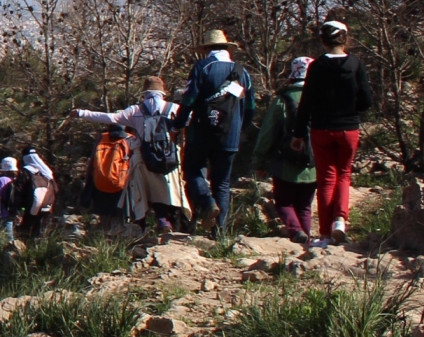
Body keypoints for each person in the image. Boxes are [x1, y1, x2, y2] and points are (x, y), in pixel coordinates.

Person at [292, 19, 374, 245]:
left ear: (322, 41)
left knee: (327, 178)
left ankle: (326, 234)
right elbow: (367, 100)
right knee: (344, 174)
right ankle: (340, 219)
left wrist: (298, 133)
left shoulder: (316, 66)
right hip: (348, 128)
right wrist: (351, 110)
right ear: (345, 39)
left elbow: (306, 102)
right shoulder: (356, 64)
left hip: (321, 128)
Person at [73, 76, 189, 234]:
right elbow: (191, 122)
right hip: (169, 159)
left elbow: (110, 118)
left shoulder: (136, 110)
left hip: (143, 158)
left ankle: (140, 227)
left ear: (144, 93)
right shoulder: (174, 108)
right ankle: (167, 223)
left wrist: (82, 113)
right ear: (162, 92)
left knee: (141, 193)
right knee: (167, 192)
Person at [175, 30, 255, 235]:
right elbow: (251, 106)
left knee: (193, 170)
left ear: (206, 49)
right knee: (222, 182)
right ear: (227, 48)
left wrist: (179, 123)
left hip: (201, 131)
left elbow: (189, 99)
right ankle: (219, 233)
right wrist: (240, 128)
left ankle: (207, 202)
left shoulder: (203, 67)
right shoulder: (242, 72)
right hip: (230, 134)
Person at [253, 55, 318, 243]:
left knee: (283, 202)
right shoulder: (322, 100)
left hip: (284, 162)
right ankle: (307, 243)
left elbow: (267, 134)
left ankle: (296, 230)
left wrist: (260, 160)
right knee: (305, 206)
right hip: (314, 164)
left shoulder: (282, 100)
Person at [20, 147, 57, 237]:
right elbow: (56, 190)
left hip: (28, 208)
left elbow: (20, 192)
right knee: (42, 232)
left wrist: (20, 209)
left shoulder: (24, 172)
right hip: (47, 207)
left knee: (26, 233)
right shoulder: (47, 173)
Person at [0, 156, 18, 238]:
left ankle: (11, 248)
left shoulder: (3, 179)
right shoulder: (17, 178)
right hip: (16, 208)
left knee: (7, 233)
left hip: (6, 209)